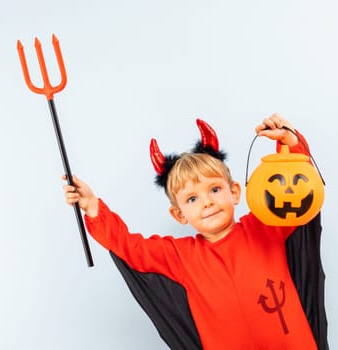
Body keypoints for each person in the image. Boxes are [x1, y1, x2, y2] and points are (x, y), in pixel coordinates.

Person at [62, 114, 328, 349]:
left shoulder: (267, 226)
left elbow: (299, 190)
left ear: (234, 192)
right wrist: (93, 207)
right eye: (192, 199)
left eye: (214, 189)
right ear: (178, 214)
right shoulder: (179, 256)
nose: (207, 202)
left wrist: (290, 144)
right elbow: (130, 247)